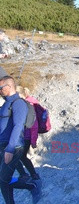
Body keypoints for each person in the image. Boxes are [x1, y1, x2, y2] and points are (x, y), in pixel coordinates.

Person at [0, 76, 41, 204]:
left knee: (3, 181)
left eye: (1, 88)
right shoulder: (6, 103)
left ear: (9, 86)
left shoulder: (18, 103)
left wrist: (10, 149)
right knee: (4, 179)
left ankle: (31, 186)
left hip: (14, 147)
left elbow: (18, 126)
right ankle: (30, 186)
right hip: (3, 145)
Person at [15, 87, 41, 183]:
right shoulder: (24, 105)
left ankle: (27, 175)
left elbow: (34, 126)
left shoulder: (29, 106)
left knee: (18, 156)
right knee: (21, 156)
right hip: (23, 136)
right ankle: (32, 174)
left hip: (25, 137)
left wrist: (33, 141)